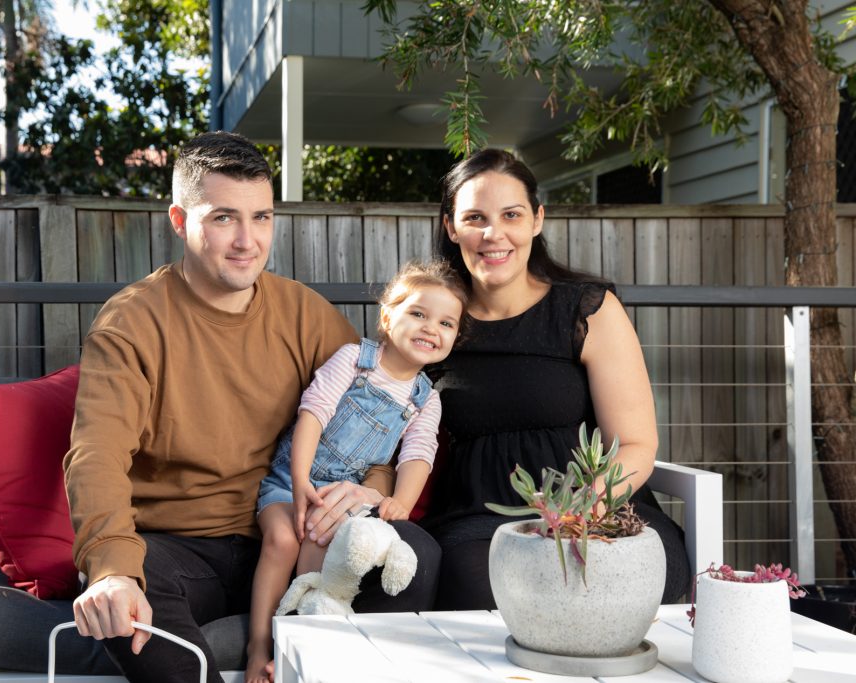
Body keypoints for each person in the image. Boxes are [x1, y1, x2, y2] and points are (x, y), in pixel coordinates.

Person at [62, 131, 441, 683]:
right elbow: (94, 454)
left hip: (301, 531)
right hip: (185, 550)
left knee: (415, 554)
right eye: (223, 218)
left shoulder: (305, 315)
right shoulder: (131, 324)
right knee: (124, 590)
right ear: (178, 219)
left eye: (261, 217)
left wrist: (373, 489)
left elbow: (380, 416)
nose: (247, 240)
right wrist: (113, 571)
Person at [422, 148, 691, 609]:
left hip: (602, 512)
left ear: (536, 220)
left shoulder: (586, 311)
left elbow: (637, 444)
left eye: (511, 214)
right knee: (487, 588)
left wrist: (581, 512)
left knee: (623, 580)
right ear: (450, 227)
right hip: (481, 519)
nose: (493, 234)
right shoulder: (433, 322)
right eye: (474, 218)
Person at [244, 260, 468, 683]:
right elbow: (313, 413)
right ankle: (259, 646)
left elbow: (418, 453)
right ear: (388, 317)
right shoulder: (355, 360)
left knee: (321, 553)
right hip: (291, 480)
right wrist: (300, 482)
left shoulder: (425, 400)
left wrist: (399, 500)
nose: (430, 328)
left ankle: (300, 649)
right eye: (418, 313)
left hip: (343, 493)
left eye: (446, 323)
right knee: (281, 540)